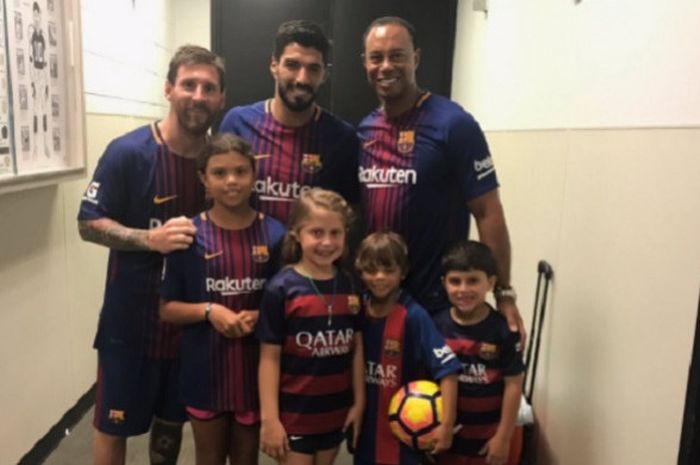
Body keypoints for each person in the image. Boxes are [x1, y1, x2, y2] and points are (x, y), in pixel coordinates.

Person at [77, 45, 226, 465]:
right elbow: (87, 223)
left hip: (188, 326)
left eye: (209, 88)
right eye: (188, 84)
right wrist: (149, 239)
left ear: (221, 99)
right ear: (168, 89)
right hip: (130, 324)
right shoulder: (128, 152)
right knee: (112, 426)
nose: (198, 95)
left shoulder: (219, 165)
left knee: (169, 427)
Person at [358, 16, 523, 338]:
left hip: (438, 306)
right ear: (364, 62)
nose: (386, 66)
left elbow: (488, 211)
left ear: (416, 58)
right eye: (376, 57)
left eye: (398, 55)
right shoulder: (364, 130)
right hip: (379, 301)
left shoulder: (454, 124)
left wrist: (503, 293)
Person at [159, 134, 285, 465]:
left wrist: (260, 318)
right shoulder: (188, 236)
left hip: (254, 371)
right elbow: (167, 309)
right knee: (209, 458)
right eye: (219, 173)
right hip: (205, 372)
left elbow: (286, 305)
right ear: (203, 179)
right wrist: (209, 311)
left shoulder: (275, 234)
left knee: (246, 458)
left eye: (240, 171)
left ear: (254, 175)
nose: (231, 181)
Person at [257, 188, 365, 465]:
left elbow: (356, 350)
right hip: (295, 415)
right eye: (317, 233)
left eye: (335, 233)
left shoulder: (350, 284)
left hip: (335, 412)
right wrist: (270, 419)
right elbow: (270, 357)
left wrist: (358, 403)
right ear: (296, 233)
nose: (327, 242)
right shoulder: (281, 288)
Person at [219, 19, 359, 224]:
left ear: (324, 75)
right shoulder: (238, 123)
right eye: (292, 65)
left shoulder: (342, 138)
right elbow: (216, 197)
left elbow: (351, 215)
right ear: (274, 65)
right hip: (244, 255)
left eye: (313, 68)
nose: (302, 79)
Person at [353, 231, 461, 465]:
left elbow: (449, 371)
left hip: (404, 439)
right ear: (360, 271)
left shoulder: (413, 316)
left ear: (403, 272)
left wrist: (446, 425)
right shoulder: (356, 308)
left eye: (389, 270)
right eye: (371, 270)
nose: (379, 277)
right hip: (364, 436)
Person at [433, 241, 524, 465]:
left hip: (488, 439)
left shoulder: (504, 330)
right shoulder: (436, 326)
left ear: (490, 283)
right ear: (444, 284)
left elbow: (514, 384)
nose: (463, 289)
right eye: (455, 281)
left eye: (473, 280)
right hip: (448, 438)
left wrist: (503, 437)